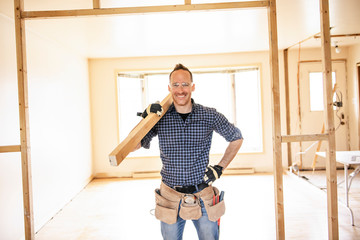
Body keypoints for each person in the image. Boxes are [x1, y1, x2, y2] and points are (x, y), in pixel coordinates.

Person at [134, 63, 243, 240]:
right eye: (175, 85)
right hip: (170, 198)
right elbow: (134, 144)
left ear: (193, 86)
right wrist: (146, 119)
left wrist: (220, 168)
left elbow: (236, 138)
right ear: (169, 88)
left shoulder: (209, 115)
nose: (180, 90)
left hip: (203, 195)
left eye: (185, 84)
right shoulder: (160, 118)